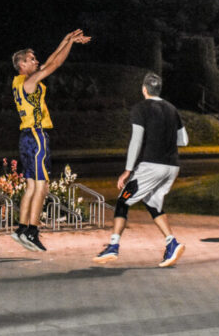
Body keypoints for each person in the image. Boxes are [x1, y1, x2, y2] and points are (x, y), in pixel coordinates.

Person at [93, 72, 189, 267]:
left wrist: (127, 170)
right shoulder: (172, 109)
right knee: (153, 204)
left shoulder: (140, 108)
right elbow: (184, 141)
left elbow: (136, 140)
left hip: (151, 166)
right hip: (172, 166)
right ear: (159, 89)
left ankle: (113, 246)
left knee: (122, 201)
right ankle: (172, 243)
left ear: (144, 89)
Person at [10, 29, 90, 252]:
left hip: (26, 137)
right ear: (22, 64)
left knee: (30, 186)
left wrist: (67, 39)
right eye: (31, 59)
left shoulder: (20, 81)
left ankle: (21, 229)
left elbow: (50, 62)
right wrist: (70, 43)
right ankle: (32, 232)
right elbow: (55, 65)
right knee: (41, 186)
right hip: (36, 136)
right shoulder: (30, 81)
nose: (36, 61)